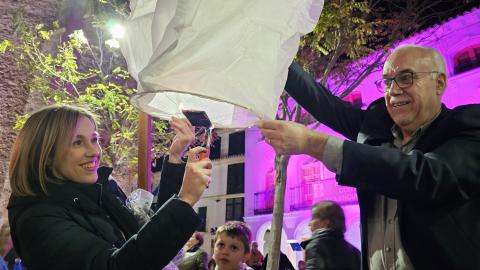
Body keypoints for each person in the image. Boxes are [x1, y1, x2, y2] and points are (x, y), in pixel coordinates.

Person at [257, 44, 480, 269]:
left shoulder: (468, 127)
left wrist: (312, 143)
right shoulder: (374, 129)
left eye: (406, 78)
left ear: (439, 83)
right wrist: (276, 55)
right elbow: (324, 104)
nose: (393, 91)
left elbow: (424, 175)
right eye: (387, 82)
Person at [7, 105, 212, 270]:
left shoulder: (102, 191)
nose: (94, 151)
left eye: (94, 139)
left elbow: (147, 238)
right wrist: (185, 199)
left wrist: (175, 159)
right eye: (77, 142)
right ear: (45, 155)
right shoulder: (37, 218)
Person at [300, 201, 360, 270]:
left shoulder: (316, 246)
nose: (309, 224)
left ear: (325, 222)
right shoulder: (354, 251)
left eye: (313, 218)